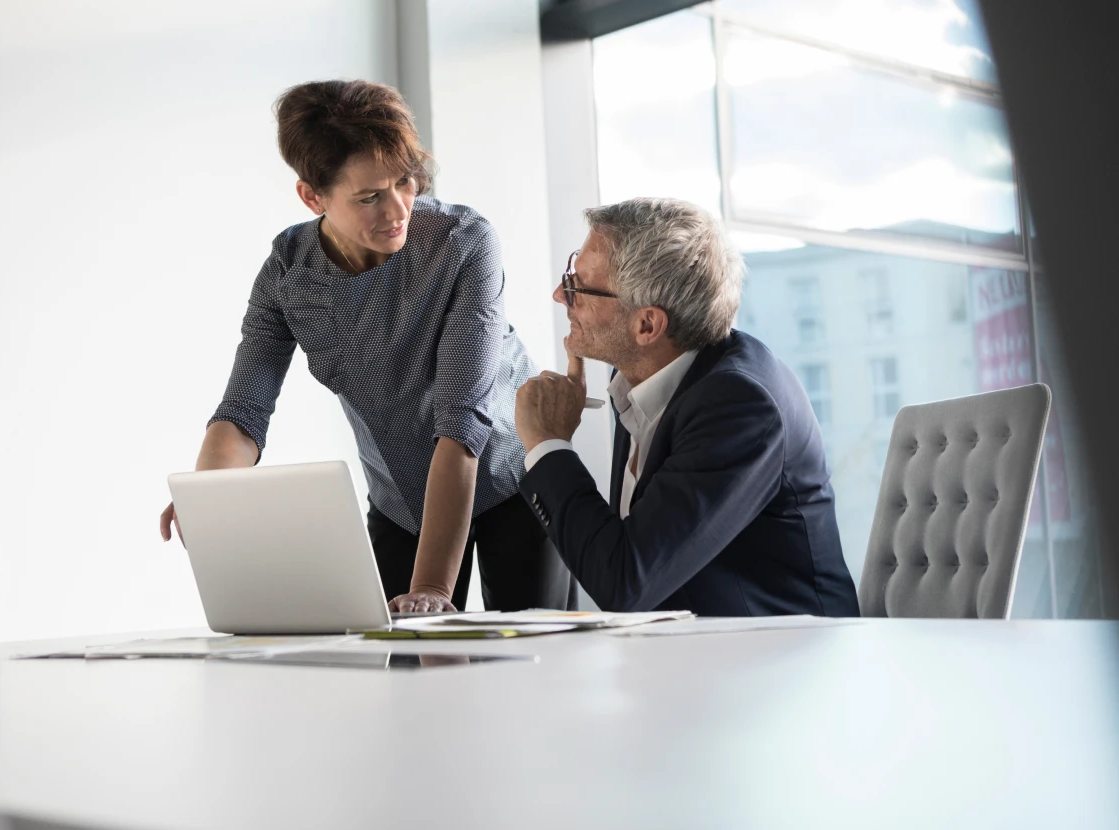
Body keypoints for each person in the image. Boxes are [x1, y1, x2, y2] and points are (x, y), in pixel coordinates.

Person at [160, 79, 575, 614]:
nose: (399, 208)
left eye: (405, 182)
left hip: (509, 478)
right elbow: (243, 412)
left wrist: (432, 589)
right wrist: (208, 500)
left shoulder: (464, 243)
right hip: (399, 498)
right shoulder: (288, 275)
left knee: (528, 667)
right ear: (313, 196)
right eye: (369, 197)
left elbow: (461, 424)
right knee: (398, 674)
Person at [514, 197, 859, 617]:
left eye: (578, 288)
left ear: (647, 325)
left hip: (781, 664)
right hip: (687, 654)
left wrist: (548, 445)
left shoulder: (741, 408)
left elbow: (624, 581)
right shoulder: (637, 375)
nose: (559, 295)